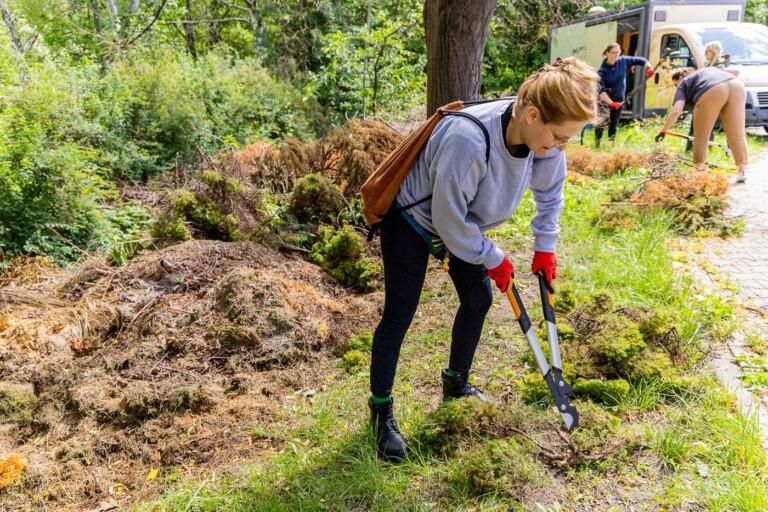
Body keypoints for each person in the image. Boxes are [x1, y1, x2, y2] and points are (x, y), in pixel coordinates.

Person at [368, 58, 600, 462]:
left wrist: (545, 245)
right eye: (559, 138)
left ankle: (456, 382)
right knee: (400, 313)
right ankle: (380, 411)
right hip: (415, 219)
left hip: (463, 221)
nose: (560, 148)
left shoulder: (540, 137)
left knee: (478, 299)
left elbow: (550, 194)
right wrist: (492, 256)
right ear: (531, 114)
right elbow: (448, 220)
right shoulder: (469, 139)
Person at [655, 67, 747, 182]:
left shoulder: (683, 83)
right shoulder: (707, 70)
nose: (676, 88)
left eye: (675, 84)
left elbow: (676, 111)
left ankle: (698, 172)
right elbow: (736, 71)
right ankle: (742, 171)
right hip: (736, 85)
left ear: (681, 76)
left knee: (701, 136)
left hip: (712, 90)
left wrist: (664, 130)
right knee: (737, 134)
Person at [595, 43, 654, 147]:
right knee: (601, 122)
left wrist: (648, 67)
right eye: (614, 52)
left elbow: (640, 60)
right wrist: (611, 103)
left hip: (619, 98)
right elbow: (601, 91)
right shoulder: (602, 71)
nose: (617, 55)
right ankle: (597, 145)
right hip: (605, 100)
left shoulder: (623, 61)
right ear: (607, 53)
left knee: (614, 123)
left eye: (619, 52)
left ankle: (610, 144)